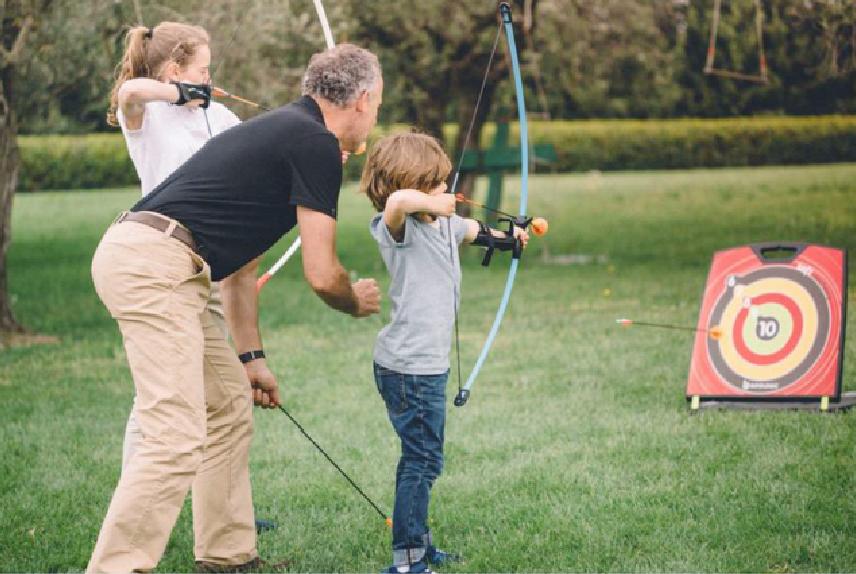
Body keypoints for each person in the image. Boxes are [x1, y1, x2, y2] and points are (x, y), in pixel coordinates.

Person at [87, 43, 382, 573]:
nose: (374, 116)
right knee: (174, 434)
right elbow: (322, 274)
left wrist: (252, 360)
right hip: (154, 263)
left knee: (225, 404)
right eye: (377, 104)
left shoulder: (291, 133)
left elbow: (242, 269)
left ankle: (227, 557)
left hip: (163, 262)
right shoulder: (313, 142)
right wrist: (352, 299)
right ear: (362, 100)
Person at [107, 20, 278, 535]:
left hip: (203, 270)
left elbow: (255, 159)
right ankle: (139, 509)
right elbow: (130, 89)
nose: (211, 78)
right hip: (159, 263)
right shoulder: (148, 115)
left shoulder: (219, 115)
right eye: (203, 70)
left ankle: (217, 514)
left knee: (213, 398)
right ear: (178, 70)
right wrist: (179, 93)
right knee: (163, 404)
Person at [359, 133, 529, 574]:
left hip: (425, 367)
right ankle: (408, 560)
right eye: (433, 183)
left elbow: (480, 231)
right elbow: (397, 201)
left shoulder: (447, 226)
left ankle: (420, 545)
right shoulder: (397, 228)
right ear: (410, 183)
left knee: (424, 456)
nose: (444, 190)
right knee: (422, 459)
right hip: (408, 368)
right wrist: (432, 203)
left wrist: (513, 237)